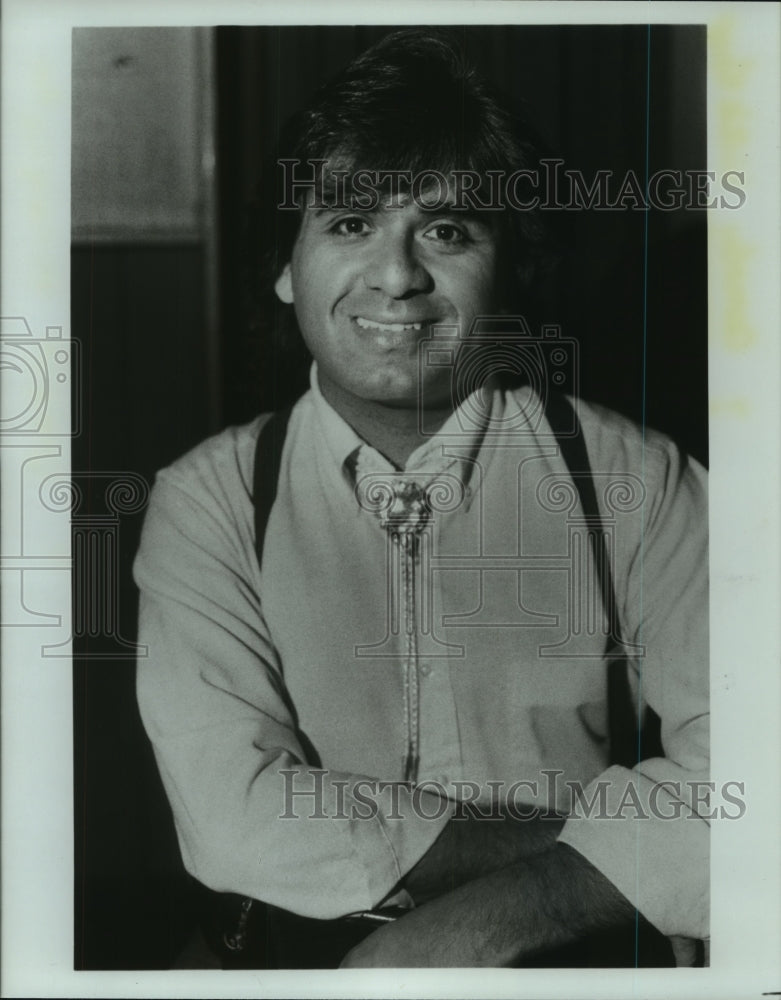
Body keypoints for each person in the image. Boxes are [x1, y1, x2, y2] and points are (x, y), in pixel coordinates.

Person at [134, 29, 709, 968]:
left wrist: (482, 921)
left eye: (447, 231)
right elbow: (237, 816)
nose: (397, 275)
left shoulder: (640, 483)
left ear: (513, 267)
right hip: (285, 963)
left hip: (573, 959)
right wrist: (610, 840)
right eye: (349, 224)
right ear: (286, 266)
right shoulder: (209, 501)